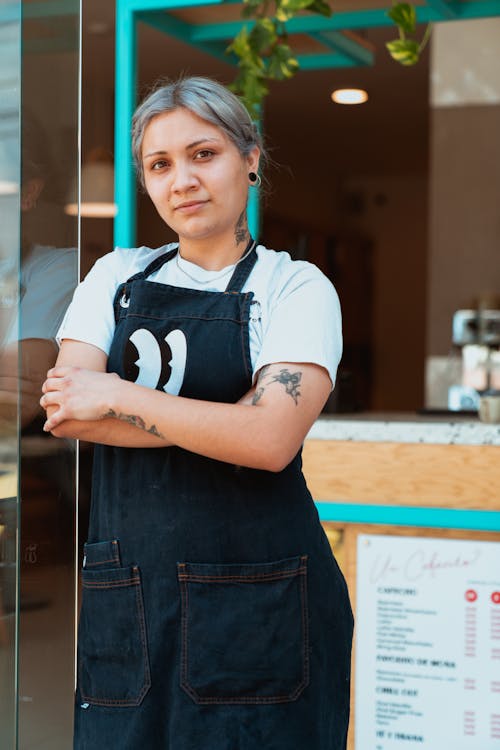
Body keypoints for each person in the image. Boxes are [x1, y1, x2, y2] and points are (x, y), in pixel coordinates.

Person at [40, 76, 354, 750]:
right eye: (160, 165)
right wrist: (229, 418)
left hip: (264, 609)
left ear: (250, 158)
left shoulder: (295, 287)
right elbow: (68, 408)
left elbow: (271, 439)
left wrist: (121, 395)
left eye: (203, 154)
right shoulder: (114, 276)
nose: (182, 179)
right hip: (128, 606)